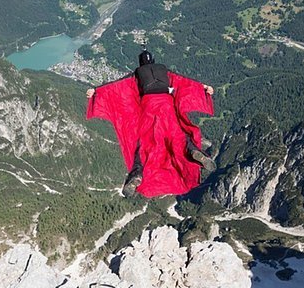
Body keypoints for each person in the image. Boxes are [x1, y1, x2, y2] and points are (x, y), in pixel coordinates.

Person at [86, 50, 215, 198]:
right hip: (167, 104)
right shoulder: (163, 69)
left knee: (142, 143)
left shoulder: (138, 72)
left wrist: (95, 92)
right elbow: (182, 81)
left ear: (141, 62)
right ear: (153, 60)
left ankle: (137, 174)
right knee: (178, 135)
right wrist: (203, 88)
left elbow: (117, 85)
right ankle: (193, 151)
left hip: (149, 106)